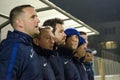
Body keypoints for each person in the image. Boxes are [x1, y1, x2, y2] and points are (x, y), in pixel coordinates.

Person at [0, 5, 42, 80]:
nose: (38, 21)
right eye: (33, 17)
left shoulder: (26, 45)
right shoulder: (13, 48)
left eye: (37, 17)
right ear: (19, 23)